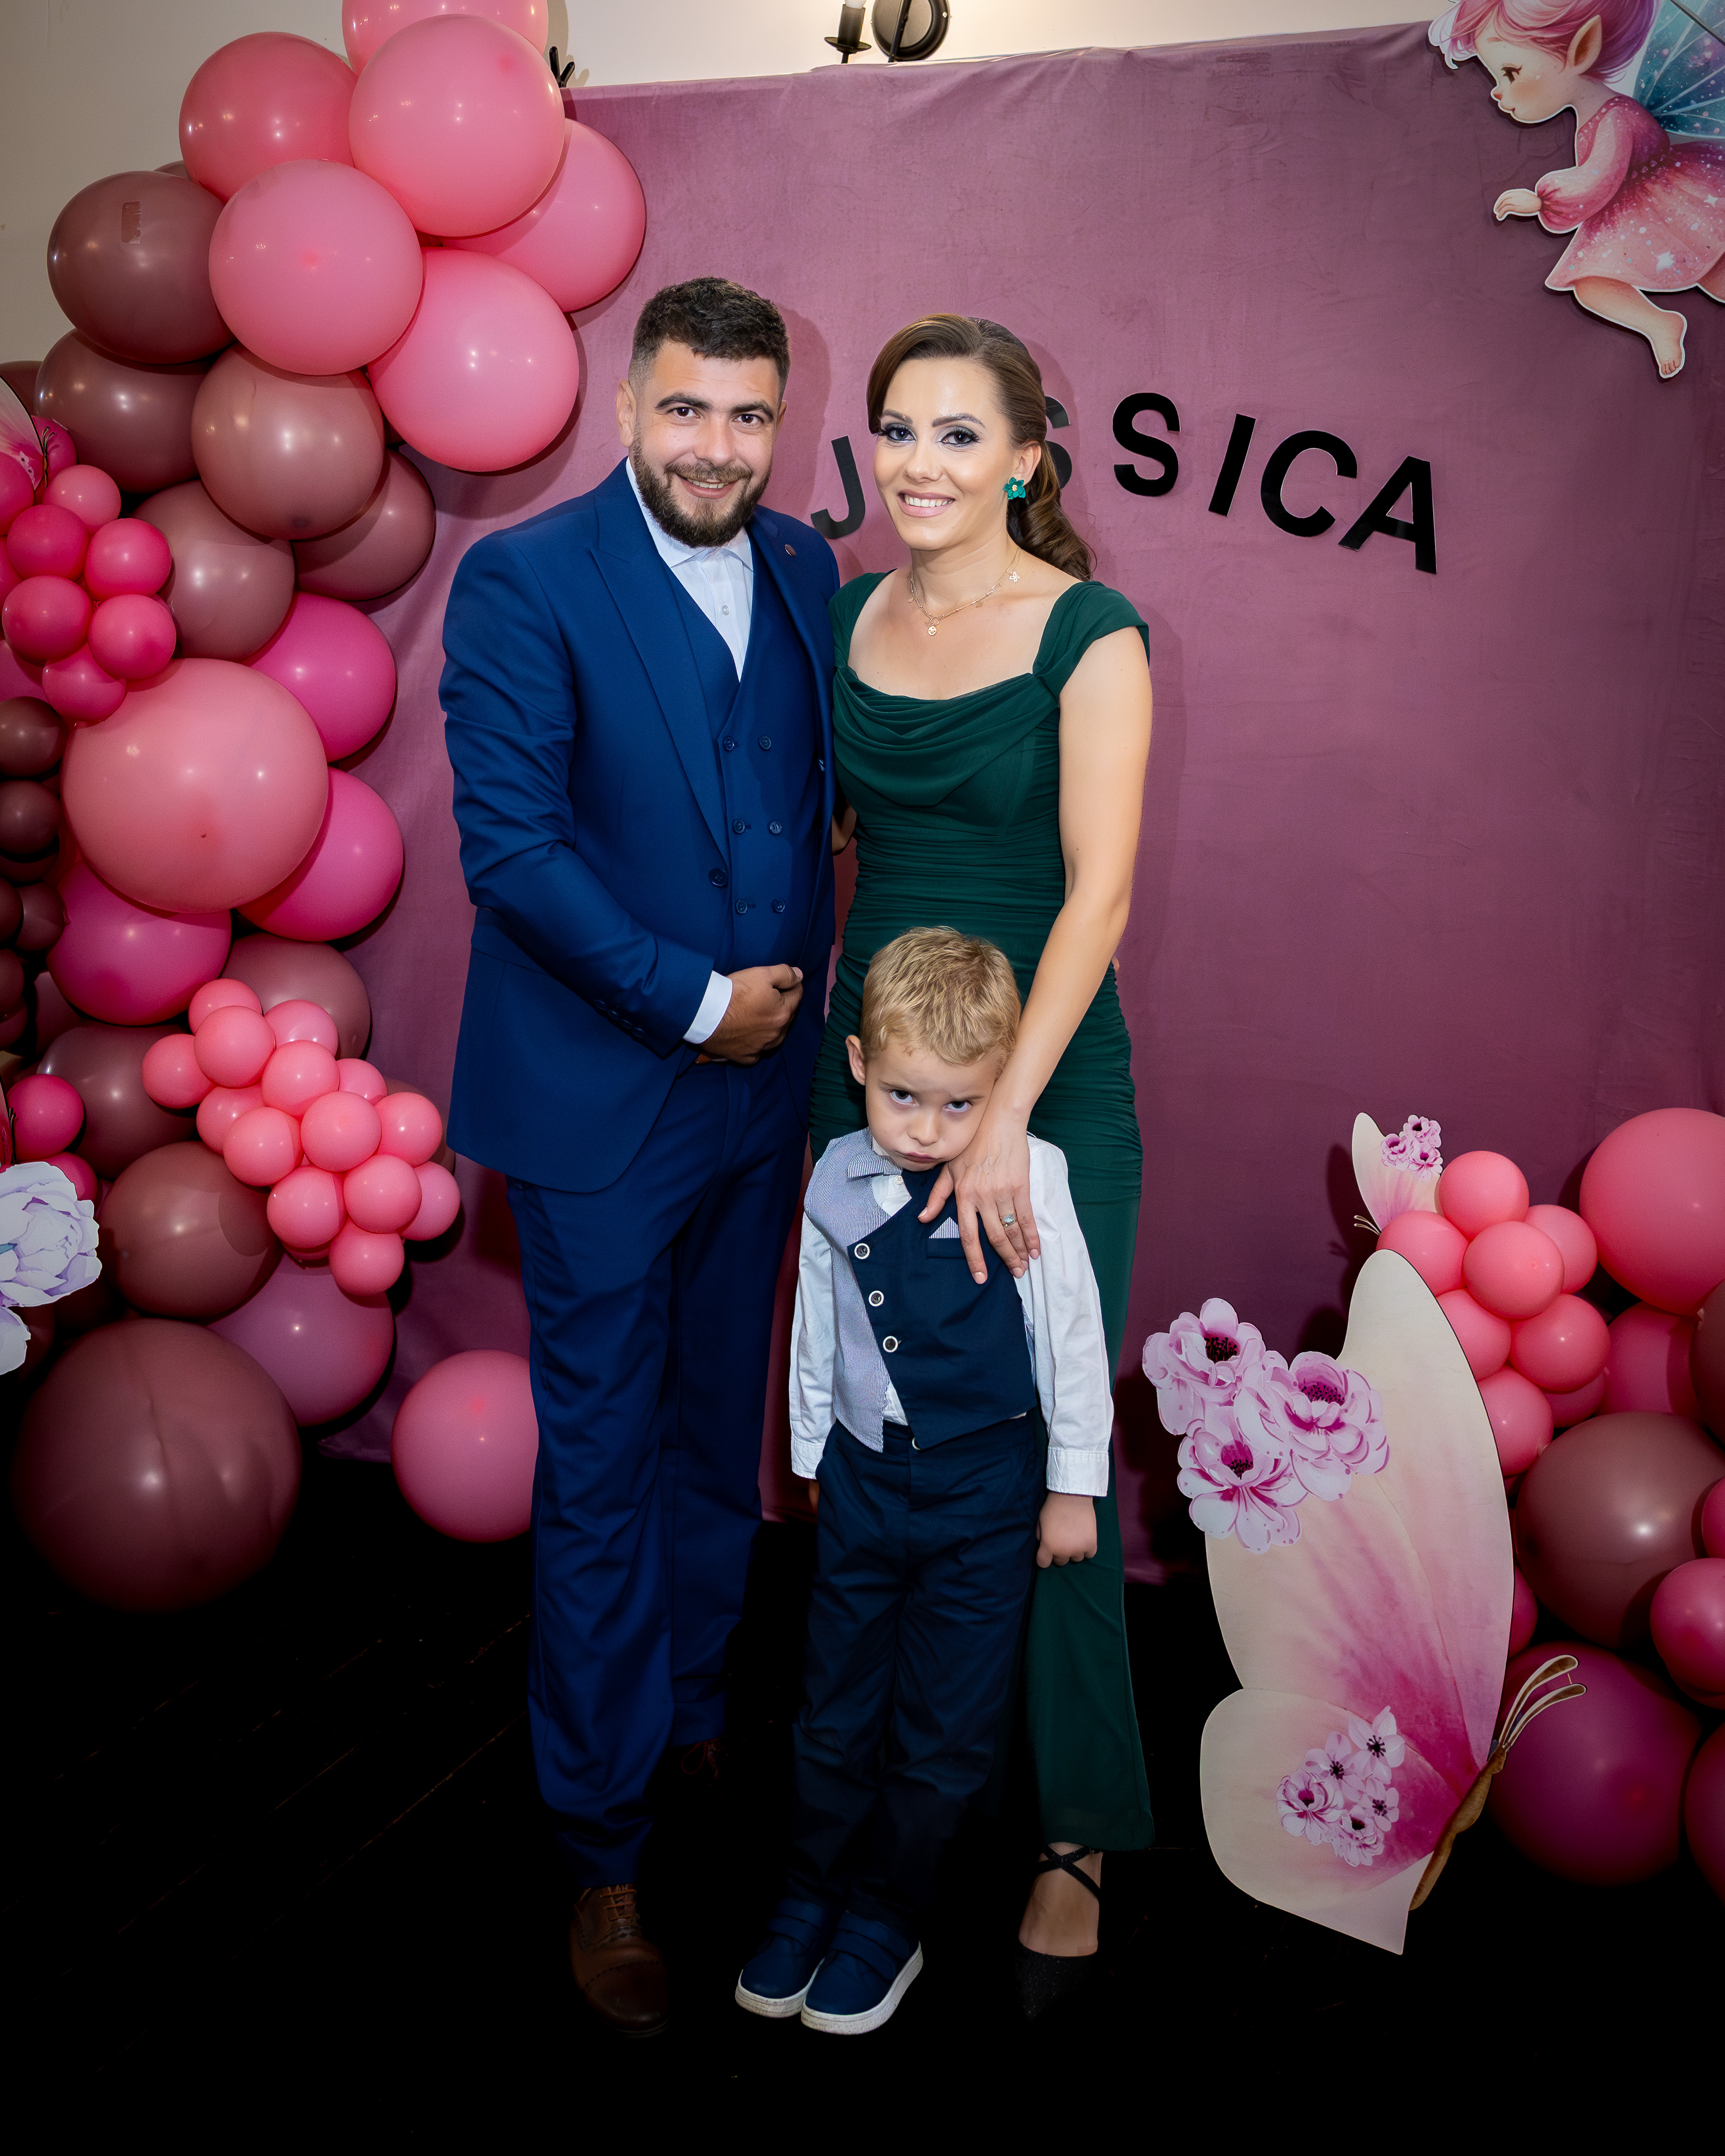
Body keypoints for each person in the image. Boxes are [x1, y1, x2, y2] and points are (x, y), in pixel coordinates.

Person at [439, 278, 838, 2038]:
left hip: (765, 1097)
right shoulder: (524, 578)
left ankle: (688, 1708)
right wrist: (693, 1000)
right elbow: (512, 848)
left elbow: (805, 797)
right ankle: (599, 1841)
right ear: (627, 409)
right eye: (687, 409)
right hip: (609, 1098)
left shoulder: (809, 565)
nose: (717, 447)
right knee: (601, 1465)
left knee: (710, 1428)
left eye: (748, 416)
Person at [805, 314, 1156, 2015]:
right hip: (878, 1075)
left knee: (1047, 1445)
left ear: (1027, 458)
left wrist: (1009, 1110)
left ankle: (1075, 1827)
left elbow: (1100, 893)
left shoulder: (1091, 632)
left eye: (959, 434)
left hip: (1044, 1086)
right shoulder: (848, 615)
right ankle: (861, 1819)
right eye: (897, 429)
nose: (919, 463)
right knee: (889, 1434)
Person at [736, 928, 1116, 2034]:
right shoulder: (836, 1176)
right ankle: (809, 1892)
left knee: (942, 1726)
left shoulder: (1029, 1174)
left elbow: (1069, 1334)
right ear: (859, 1062)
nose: (924, 1128)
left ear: (1000, 1087)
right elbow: (819, 1323)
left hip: (984, 1491)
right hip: (862, 1479)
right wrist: (812, 1453)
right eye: (902, 1096)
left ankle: (885, 1917)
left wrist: (1071, 1485)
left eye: (960, 1105)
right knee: (833, 1705)